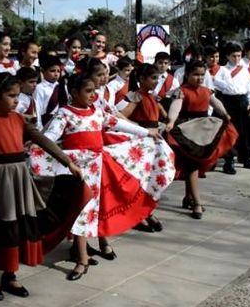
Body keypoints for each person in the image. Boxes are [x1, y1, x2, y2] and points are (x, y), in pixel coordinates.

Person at [31, 66, 174, 279]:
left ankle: (88, 249)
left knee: (96, 208)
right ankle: (82, 259)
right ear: (74, 93)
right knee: (82, 210)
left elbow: (120, 124)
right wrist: (36, 145)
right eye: (88, 91)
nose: (93, 95)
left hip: (99, 168)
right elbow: (51, 136)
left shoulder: (98, 112)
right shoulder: (66, 113)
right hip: (78, 171)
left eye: (93, 91)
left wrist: (146, 132)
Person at [0, 72, 82, 301]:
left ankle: (10, 275)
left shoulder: (19, 120)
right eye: (11, 96)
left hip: (19, 181)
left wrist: (68, 162)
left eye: (18, 96)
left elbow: (44, 141)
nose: (16, 100)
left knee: (17, 228)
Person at [165, 61, 237, 219]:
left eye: (202, 75)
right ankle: (196, 202)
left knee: (192, 165)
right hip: (187, 130)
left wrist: (224, 114)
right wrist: (171, 121)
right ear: (187, 75)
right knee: (192, 166)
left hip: (204, 130)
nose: (199, 78)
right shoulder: (181, 91)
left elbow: (215, 102)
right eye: (195, 75)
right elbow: (176, 106)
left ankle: (188, 197)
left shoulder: (206, 91)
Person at [119, 63, 173, 233]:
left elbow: (162, 116)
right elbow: (121, 116)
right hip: (141, 142)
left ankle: (148, 211)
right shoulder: (136, 96)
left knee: (152, 179)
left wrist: (165, 123)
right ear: (141, 79)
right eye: (153, 78)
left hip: (155, 142)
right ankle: (138, 214)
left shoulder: (152, 97)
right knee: (140, 179)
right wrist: (138, 127)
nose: (156, 81)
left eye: (157, 78)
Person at [213, 43, 250, 174]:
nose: (237, 59)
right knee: (229, 132)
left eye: (239, 56)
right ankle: (229, 160)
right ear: (227, 56)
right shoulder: (222, 71)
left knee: (245, 132)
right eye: (234, 56)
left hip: (242, 101)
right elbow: (217, 85)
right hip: (228, 102)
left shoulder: (244, 70)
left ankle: (246, 158)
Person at [33, 53, 65, 126]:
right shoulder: (39, 88)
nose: (56, 74)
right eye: (52, 71)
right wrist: (39, 127)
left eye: (58, 71)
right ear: (43, 71)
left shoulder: (61, 87)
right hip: (46, 122)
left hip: (60, 122)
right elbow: (37, 110)